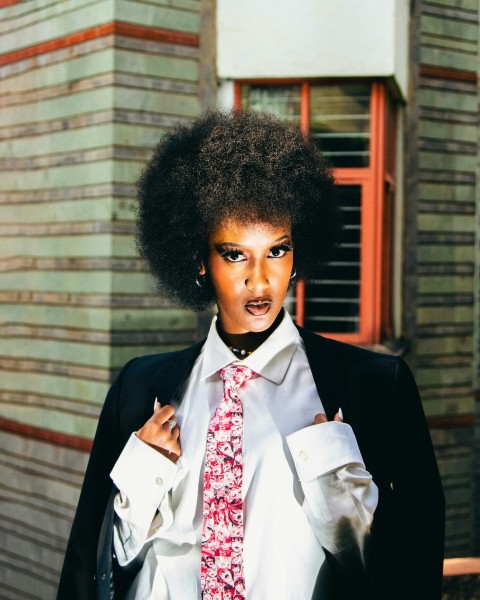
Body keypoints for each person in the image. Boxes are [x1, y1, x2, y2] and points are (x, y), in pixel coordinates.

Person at [57, 111, 445, 600]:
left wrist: (333, 478)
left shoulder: (375, 388)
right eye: (235, 254)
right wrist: (141, 478)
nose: (259, 281)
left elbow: (409, 565)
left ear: (298, 252)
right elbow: (91, 568)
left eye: (277, 251)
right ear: (199, 259)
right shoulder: (141, 386)